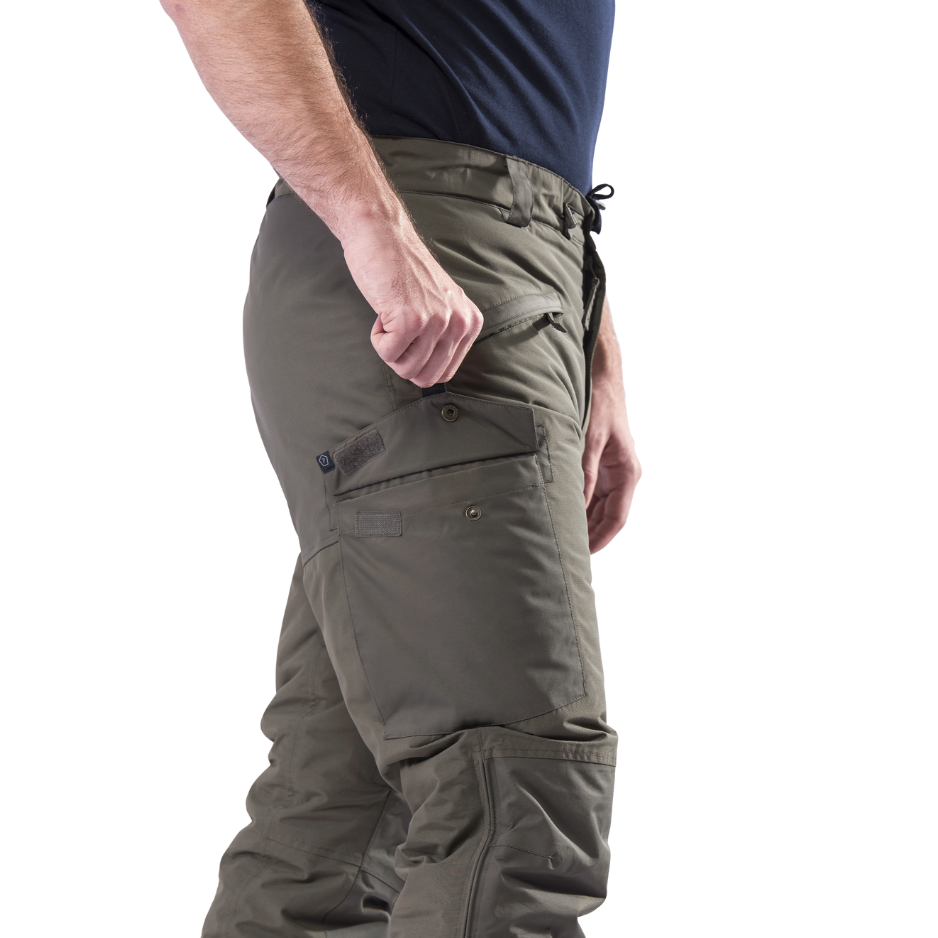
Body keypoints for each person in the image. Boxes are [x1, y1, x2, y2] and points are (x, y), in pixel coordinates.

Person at [158, 2, 642, 935]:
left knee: (335, 832)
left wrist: (595, 346)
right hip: (430, 252)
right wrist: (370, 218)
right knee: (512, 801)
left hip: (515, 264)